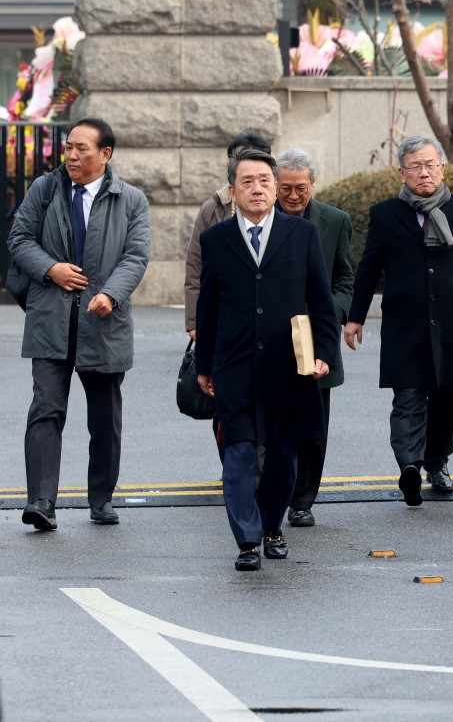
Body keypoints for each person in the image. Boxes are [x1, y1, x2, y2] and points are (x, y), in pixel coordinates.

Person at [194, 147, 340, 570]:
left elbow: (320, 298)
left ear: (275, 188)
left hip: (288, 364)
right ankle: (246, 539)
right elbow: (208, 307)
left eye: (264, 181)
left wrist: (324, 354)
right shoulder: (216, 239)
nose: (256, 189)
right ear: (232, 190)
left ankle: (272, 526)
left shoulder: (302, 233)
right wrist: (205, 365)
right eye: (247, 182)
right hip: (234, 363)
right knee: (239, 452)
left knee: (281, 455)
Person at [8, 117, 151, 531]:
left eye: (81, 148)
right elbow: (19, 239)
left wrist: (111, 294)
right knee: (45, 410)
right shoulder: (45, 188)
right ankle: (41, 501)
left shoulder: (131, 200)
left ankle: (101, 499)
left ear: (105, 154)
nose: (71, 155)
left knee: (104, 418)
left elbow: (136, 256)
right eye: (68, 147)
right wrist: (50, 267)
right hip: (50, 319)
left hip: (103, 322)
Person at [345, 135, 453, 506]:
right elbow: (368, 269)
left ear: (442, 168)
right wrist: (355, 317)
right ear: (402, 173)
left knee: (448, 400)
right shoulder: (385, 214)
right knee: (408, 398)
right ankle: (409, 466)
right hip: (404, 325)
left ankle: (437, 461)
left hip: (449, 325)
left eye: (430, 165)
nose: (424, 172)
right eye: (415, 166)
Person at [272, 148, 355, 529]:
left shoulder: (335, 221)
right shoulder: (259, 219)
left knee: (313, 426)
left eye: (300, 188)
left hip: (316, 336)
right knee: (272, 422)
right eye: (285, 188)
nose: (293, 196)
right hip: (271, 334)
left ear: (313, 184)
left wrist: (330, 315)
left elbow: (344, 277)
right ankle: (271, 492)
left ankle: (303, 500)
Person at [184, 130, 272, 461]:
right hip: (225, 323)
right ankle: (236, 464)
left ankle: (261, 469)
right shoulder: (214, 208)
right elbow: (195, 269)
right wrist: (194, 322)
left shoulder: (275, 204)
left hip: (270, 322)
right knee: (225, 400)